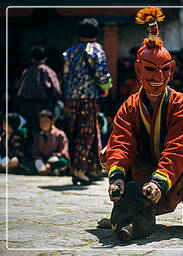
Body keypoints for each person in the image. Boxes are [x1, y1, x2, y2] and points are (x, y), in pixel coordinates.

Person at [98, 8, 183, 231]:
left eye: (164, 70)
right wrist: (116, 178)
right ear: (138, 69)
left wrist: (158, 182)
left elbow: (177, 149)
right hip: (142, 167)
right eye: (151, 70)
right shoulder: (129, 106)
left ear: (172, 71)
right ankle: (124, 207)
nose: (158, 77)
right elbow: (122, 143)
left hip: (175, 169)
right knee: (109, 154)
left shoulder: (181, 104)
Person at [63, 18, 112, 185]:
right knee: (87, 133)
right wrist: (106, 87)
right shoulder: (95, 49)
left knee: (75, 132)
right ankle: (79, 170)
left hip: (70, 99)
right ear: (96, 33)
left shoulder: (69, 51)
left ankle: (91, 168)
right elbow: (102, 73)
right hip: (87, 98)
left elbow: (65, 75)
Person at [17, 46, 61, 141]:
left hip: (27, 108)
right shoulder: (48, 71)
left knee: (30, 131)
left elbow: (19, 91)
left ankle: (31, 150)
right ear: (45, 58)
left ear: (32, 58)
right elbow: (57, 91)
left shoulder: (26, 72)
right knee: (43, 130)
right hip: (43, 107)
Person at [32, 110, 70, 176]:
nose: (44, 124)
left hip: (56, 159)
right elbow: (35, 151)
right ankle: (46, 171)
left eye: (46, 121)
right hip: (42, 159)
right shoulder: (38, 136)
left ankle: (51, 169)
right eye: (41, 122)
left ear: (52, 121)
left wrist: (51, 162)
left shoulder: (60, 134)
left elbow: (64, 150)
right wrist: (39, 160)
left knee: (63, 162)